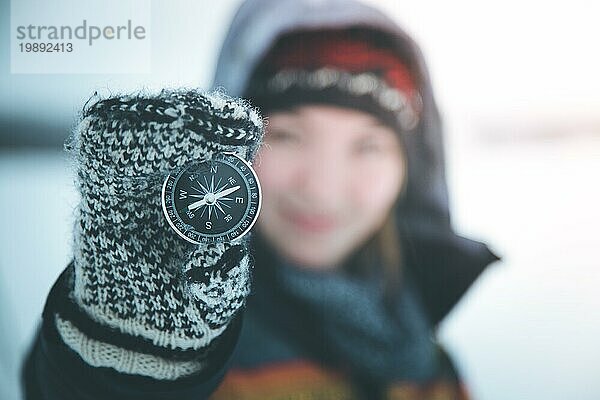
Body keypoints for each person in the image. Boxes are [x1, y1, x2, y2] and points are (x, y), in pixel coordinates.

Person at [22, 0, 499, 399]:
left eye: (369, 146)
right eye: (287, 135)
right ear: (230, 149)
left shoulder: (418, 337)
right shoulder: (197, 341)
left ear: (409, 171)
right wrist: (129, 359)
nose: (322, 189)